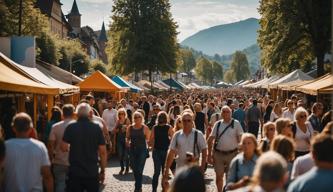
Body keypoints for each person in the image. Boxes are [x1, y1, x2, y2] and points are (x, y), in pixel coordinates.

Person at [61, 103, 107, 191]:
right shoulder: (96, 128)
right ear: (90, 113)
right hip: (92, 171)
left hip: (75, 171)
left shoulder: (71, 127)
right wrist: (103, 170)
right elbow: (103, 152)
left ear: (77, 114)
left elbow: (63, 147)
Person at [4, 113, 53, 192]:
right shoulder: (40, 147)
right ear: (31, 129)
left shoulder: (5, 146)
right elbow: (47, 176)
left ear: (13, 128)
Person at [163, 111, 207, 187]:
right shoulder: (177, 135)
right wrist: (166, 169)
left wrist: (202, 168)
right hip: (180, 168)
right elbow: (171, 152)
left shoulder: (198, 134)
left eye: (188, 120)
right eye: (184, 120)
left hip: (194, 168)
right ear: (181, 121)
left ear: (192, 122)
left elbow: (204, 151)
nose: (186, 122)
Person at [207, 106, 243, 192]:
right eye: (224, 112)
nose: (226, 113)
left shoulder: (236, 123)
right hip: (218, 154)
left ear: (231, 113)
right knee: (219, 176)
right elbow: (210, 139)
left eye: (228, 112)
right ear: (221, 114)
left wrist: (241, 153)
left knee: (229, 177)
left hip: (232, 154)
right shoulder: (218, 124)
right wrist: (209, 154)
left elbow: (241, 139)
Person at [48, 104, 75, 192]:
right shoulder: (77, 126)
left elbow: (51, 145)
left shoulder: (55, 126)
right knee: (74, 184)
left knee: (60, 183)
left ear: (62, 114)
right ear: (73, 113)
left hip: (59, 160)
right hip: (75, 161)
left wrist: (52, 158)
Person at [149, 111, 173, 192]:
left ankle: (155, 190)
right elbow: (173, 139)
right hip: (164, 151)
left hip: (157, 151)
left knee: (157, 172)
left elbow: (151, 140)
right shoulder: (168, 127)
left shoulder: (155, 127)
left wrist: (152, 148)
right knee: (163, 172)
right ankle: (163, 189)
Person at [126, 111, 150, 192]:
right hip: (132, 150)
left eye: (138, 117)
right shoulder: (130, 127)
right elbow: (127, 137)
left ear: (141, 118)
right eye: (135, 117)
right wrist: (127, 142)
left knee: (139, 169)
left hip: (142, 150)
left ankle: (138, 187)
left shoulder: (145, 128)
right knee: (134, 168)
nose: (136, 118)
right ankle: (138, 185)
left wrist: (148, 147)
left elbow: (148, 139)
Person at [114, 108, 131, 175]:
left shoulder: (127, 120)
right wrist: (117, 130)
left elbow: (130, 129)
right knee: (120, 154)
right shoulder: (118, 121)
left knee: (126, 155)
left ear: (125, 114)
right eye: (120, 113)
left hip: (126, 139)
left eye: (122, 113)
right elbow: (114, 130)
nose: (121, 115)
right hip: (119, 139)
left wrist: (126, 127)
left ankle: (127, 168)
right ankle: (122, 168)